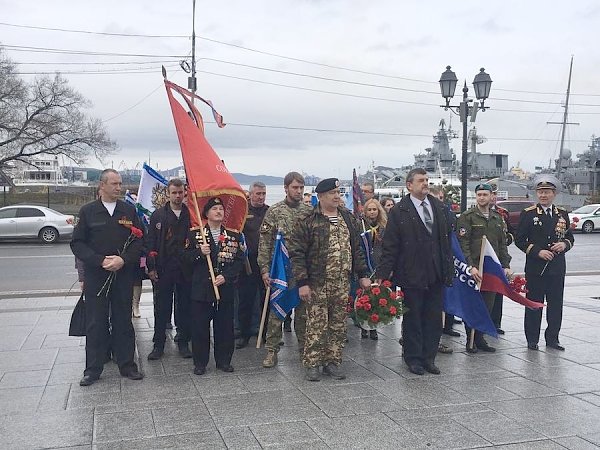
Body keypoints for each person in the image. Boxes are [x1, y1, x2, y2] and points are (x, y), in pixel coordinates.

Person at [288, 178, 371, 381]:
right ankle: (313, 363)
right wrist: (302, 283)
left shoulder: (348, 218)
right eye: (332, 193)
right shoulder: (308, 219)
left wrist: (362, 275)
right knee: (316, 323)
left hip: (342, 281)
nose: (337, 196)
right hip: (317, 282)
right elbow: (297, 253)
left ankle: (332, 361)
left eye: (338, 192)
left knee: (337, 324)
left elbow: (356, 249)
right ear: (320, 196)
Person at [376, 168, 453, 376]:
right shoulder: (399, 210)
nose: (425, 183)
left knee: (433, 318)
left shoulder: (438, 206)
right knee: (414, 318)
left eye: (427, 180)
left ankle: (429, 358)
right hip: (412, 273)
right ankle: (413, 358)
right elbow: (390, 245)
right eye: (421, 180)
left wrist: (448, 269)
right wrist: (383, 275)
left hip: (436, 272)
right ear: (409, 185)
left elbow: (445, 240)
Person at [71, 169, 144, 386]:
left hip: (122, 276)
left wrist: (123, 260)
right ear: (102, 186)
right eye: (114, 183)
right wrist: (99, 260)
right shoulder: (88, 212)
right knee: (96, 323)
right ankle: (93, 369)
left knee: (123, 320)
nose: (119, 187)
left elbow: (139, 241)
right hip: (97, 276)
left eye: (120, 183)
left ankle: (127, 365)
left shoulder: (128, 211)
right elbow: (77, 243)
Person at [183, 197, 243, 375]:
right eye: (215, 209)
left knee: (225, 326)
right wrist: (199, 253)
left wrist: (226, 276)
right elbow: (184, 258)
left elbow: (239, 261)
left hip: (225, 288)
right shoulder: (195, 234)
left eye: (221, 209)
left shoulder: (233, 235)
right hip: (202, 289)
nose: (219, 212)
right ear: (206, 213)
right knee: (200, 327)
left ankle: (224, 361)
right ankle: (200, 363)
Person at [258, 172, 311, 368]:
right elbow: (265, 242)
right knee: (276, 313)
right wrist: (264, 270)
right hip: (280, 271)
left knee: (304, 314)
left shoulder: (309, 211)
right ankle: (272, 350)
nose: (298, 191)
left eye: (301, 188)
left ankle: (304, 350)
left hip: (302, 271)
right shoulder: (274, 211)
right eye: (295, 187)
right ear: (286, 188)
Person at [515, 175, 573, 351]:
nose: (543, 196)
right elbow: (520, 240)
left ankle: (553, 338)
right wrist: (537, 251)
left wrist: (564, 244)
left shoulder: (561, 213)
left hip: (556, 268)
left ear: (554, 194)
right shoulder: (529, 213)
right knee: (534, 304)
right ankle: (532, 339)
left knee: (555, 305)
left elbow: (569, 237)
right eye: (540, 192)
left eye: (547, 192)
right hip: (536, 268)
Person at [457, 183, 512, 353]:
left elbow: (502, 244)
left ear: (491, 196)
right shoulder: (468, 217)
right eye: (479, 194)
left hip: (491, 269)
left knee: (488, 305)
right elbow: (463, 243)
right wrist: (470, 266)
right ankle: (470, 340)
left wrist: (506, 265)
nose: (481, 197)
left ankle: (480, 338)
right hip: (474, 268)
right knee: (473, 304)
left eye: (484, 194)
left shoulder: (497, 218)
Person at [145, 179, 193, 360]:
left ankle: (183, 341)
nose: (178, 196)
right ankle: (158, 345)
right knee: (161, 308)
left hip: (185, 268)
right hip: (164, 267)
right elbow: (150, 242)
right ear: (168, 193)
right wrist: (151, 267)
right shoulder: (158, 215)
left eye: (180, 192)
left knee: (184, 307)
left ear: (184, 193)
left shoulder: (190, 214)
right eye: (174, 192)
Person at [236, 182, 269, 349]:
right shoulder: (243, 211)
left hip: (266, 262)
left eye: (263, 193)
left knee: (266, 299)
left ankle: (265, 333)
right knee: (246, 300)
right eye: (258, 193)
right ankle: (243, 333)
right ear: (250, 194)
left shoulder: (270, 212)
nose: (261, 197)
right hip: (248, 262)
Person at [429, 186, 459, 353]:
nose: (440, 202)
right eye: (436, 198)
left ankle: (436, 340)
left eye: (441, 198)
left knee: (439, 307)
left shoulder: (448, 216)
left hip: (441, 268)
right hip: (421, 271)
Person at [360, 198, 387, 340]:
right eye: (369, 209)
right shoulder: (361, 226)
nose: (372, 212)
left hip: (378, 263)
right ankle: (363, 326)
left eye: (374, 209)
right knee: (364, 296)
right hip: (365, 263)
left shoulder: (384, 226)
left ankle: (374, 327)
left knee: (376, 297)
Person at [490, 185, 515, 335]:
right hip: (483, 257)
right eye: (490, 194)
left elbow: (512, 233)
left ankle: (496, 322)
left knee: (498, 291)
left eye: (494, 194)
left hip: (499, 257)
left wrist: (507, 239)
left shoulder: (502, 214)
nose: (492, 197)